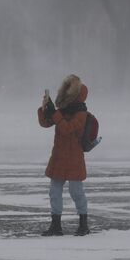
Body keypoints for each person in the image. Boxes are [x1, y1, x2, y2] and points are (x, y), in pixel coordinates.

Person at [37, 74, 90, 236]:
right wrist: (45, 109)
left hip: (74, 158)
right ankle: (56, 225)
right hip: (59, 156)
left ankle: (83, 224)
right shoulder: (63, 111)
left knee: (76, 192)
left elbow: (67, 129)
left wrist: (55, 113)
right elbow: (45, 123)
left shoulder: (82, 114)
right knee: (54, 192)